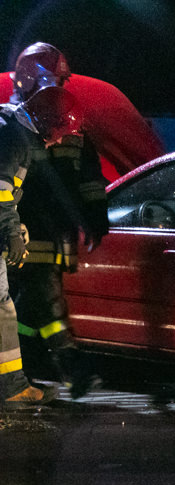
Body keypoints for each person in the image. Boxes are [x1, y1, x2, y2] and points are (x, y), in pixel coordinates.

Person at [7, 43, 107, 399]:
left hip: (48, 234)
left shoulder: (68, 119)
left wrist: (96, 218)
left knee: (28, 306)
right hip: (25, 234)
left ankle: (32, 363)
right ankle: (71, 369)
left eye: (63, 80)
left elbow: (90, 181)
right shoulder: (15, 125)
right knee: (43, 304)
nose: (61, 87)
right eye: (56, 79)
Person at [0, 86, 77, 406]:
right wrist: (12, 234)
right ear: (46, 120)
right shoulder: (15, 139)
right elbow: (0, 191)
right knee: (2, 308)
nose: (59, 140)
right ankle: (12, 387)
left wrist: (15, 228)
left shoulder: (9, 126)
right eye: (59, 131)